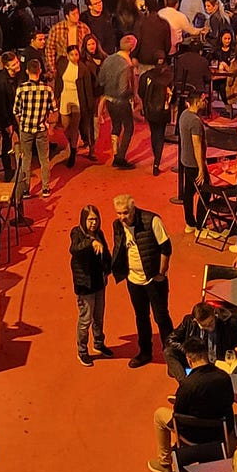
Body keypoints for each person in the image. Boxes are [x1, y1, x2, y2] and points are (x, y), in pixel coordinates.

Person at [149, 338, 237, 472]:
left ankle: (164, 463)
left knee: (159, 414)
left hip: (192, 435)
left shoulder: (187, 385)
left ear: (189, 360)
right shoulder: (224, 377)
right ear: (206, 355)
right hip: (219, 433)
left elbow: (178, 415)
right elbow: (229, 402)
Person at [111, 194, 174, 368]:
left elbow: (166, 247)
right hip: (133, 280)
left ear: (133, 209)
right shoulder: (117, 225)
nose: (122, 217)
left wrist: (161, 272)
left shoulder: (152, 220)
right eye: (119, 213)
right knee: (141, 317)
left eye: (125, 213)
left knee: (161, 317)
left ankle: (172, 354)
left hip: (154, 279)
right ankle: (145, 352)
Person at [69, 205, 113, 367]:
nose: (93, 223)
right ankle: (82, 351)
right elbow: (74, 249)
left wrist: (108, 270)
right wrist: (91, 242)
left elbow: (106, 253)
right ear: (83, 220)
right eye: (90, 219)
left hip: (99, 283)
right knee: (85, 319)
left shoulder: (99, 233)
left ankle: (99, 343)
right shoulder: (77, 233)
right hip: (85, 285)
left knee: (99, 317)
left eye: (95, 219)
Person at [164, 301, 237, 384]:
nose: (210, 327)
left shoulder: (227, 323)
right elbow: (170, 340)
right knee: (168, 352)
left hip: (218, 362)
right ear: (196, 321)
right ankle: (185, 384)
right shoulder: (189, 321)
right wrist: (189, 350)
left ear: (214, 314)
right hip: (198, 360)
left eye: (211, 322)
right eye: (205, 325)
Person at [12, 58, 57, 200]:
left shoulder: (21, 89)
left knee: (26, 159)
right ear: (40, 71)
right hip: (41, 128)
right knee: (44, 158)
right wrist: (49, 124)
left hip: (26, 128)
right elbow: (54, 110)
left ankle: (26, 189)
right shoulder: (47, 89)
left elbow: (16, 111)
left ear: (27, 71)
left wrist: (21, 125)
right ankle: (45, 188)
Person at [53, 44, 96, 167]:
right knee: (66, 127)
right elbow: (58, 81)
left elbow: (88, 89)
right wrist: (56, 97)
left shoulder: (83, 69)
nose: (74, 57)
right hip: (65, 98)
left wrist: (89, 105)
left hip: (77, 99)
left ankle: (72, 152)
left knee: (74, 127)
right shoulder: (63, 66)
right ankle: (72, 144)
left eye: (76, 54)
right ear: (67, 55)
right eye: (72, 55)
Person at [98, 36, 137, 169]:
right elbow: (123, 89)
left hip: (108, 99)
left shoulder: (108, 59)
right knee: (129, 128)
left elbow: (101, 80)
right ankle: (120, 157)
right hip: (121, 102)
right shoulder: (126, 65)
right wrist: (133, 93)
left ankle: (115, 153)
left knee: (115, 126)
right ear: (132, 48)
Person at [178, 88, 210, 234]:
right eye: (204, 100)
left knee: (188, 193)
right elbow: (197, 145)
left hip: (185, 160)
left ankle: (189, 222)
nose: (206, 102)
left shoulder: (184, 115)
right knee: (206, 193)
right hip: (194, 163)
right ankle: (200, 225)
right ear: (197, 102)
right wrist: (201, 168)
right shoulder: (195, 122)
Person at [139, 51, 173, 175]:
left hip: (150, 109)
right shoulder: (169, 75)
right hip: (163, 110)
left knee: (154, 133)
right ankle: (156, 161)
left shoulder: (146, 76)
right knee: (161, 133)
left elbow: (141, 93)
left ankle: (156, 157)